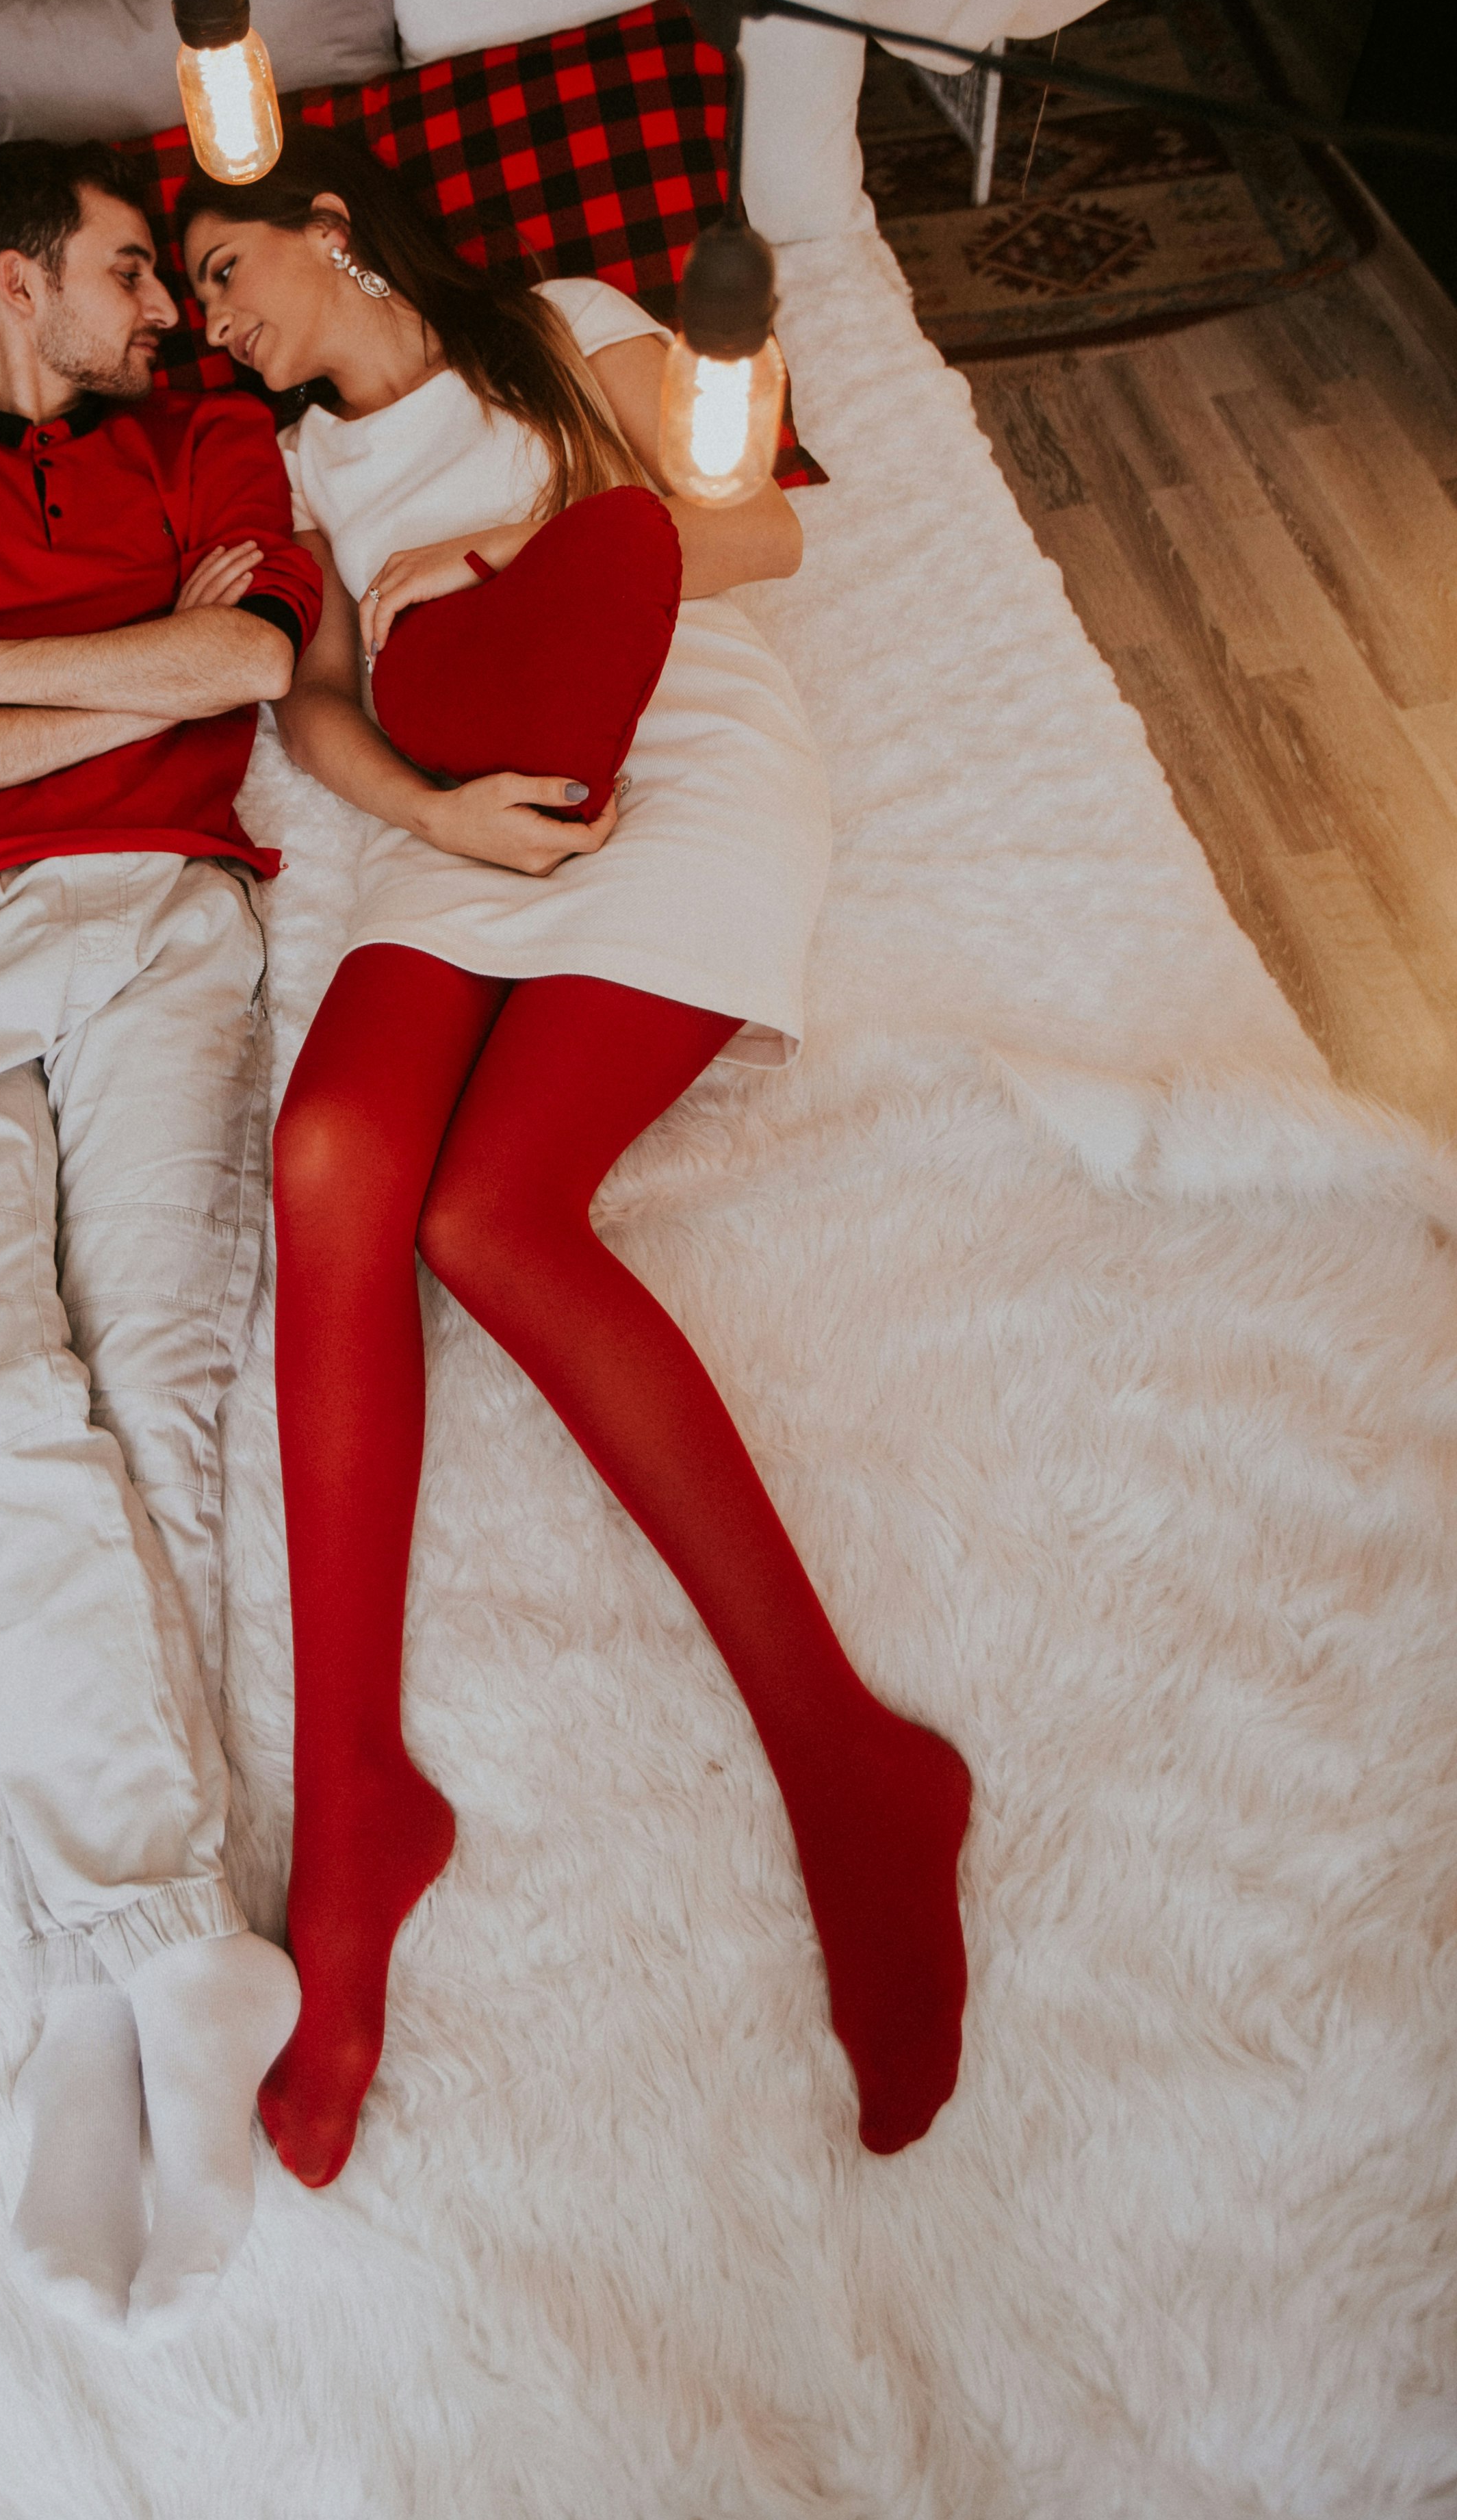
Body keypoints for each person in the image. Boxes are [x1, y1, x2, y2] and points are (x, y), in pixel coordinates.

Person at [179, 127, 974, 2187]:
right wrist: (435, 820)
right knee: (339, 1155)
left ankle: (849, 1760)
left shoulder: (569, 334)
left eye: (225, 262)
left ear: (330, 223)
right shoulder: (303, 477)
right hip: (461, 804)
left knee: (491, 1214)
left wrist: (524, 565)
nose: (214, 311)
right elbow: (324, 715)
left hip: (672, 752)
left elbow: (764, 539)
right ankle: (357, 1814)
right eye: (191, 298)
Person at [0, 139, 322, 2334]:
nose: (166, 313)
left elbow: (254, 667)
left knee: (156, 1396)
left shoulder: (209, 437)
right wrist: (111, 665)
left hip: (159, 929)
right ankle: (170, 1969)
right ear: (18, 281)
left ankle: (96, 2006)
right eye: (127, 273)